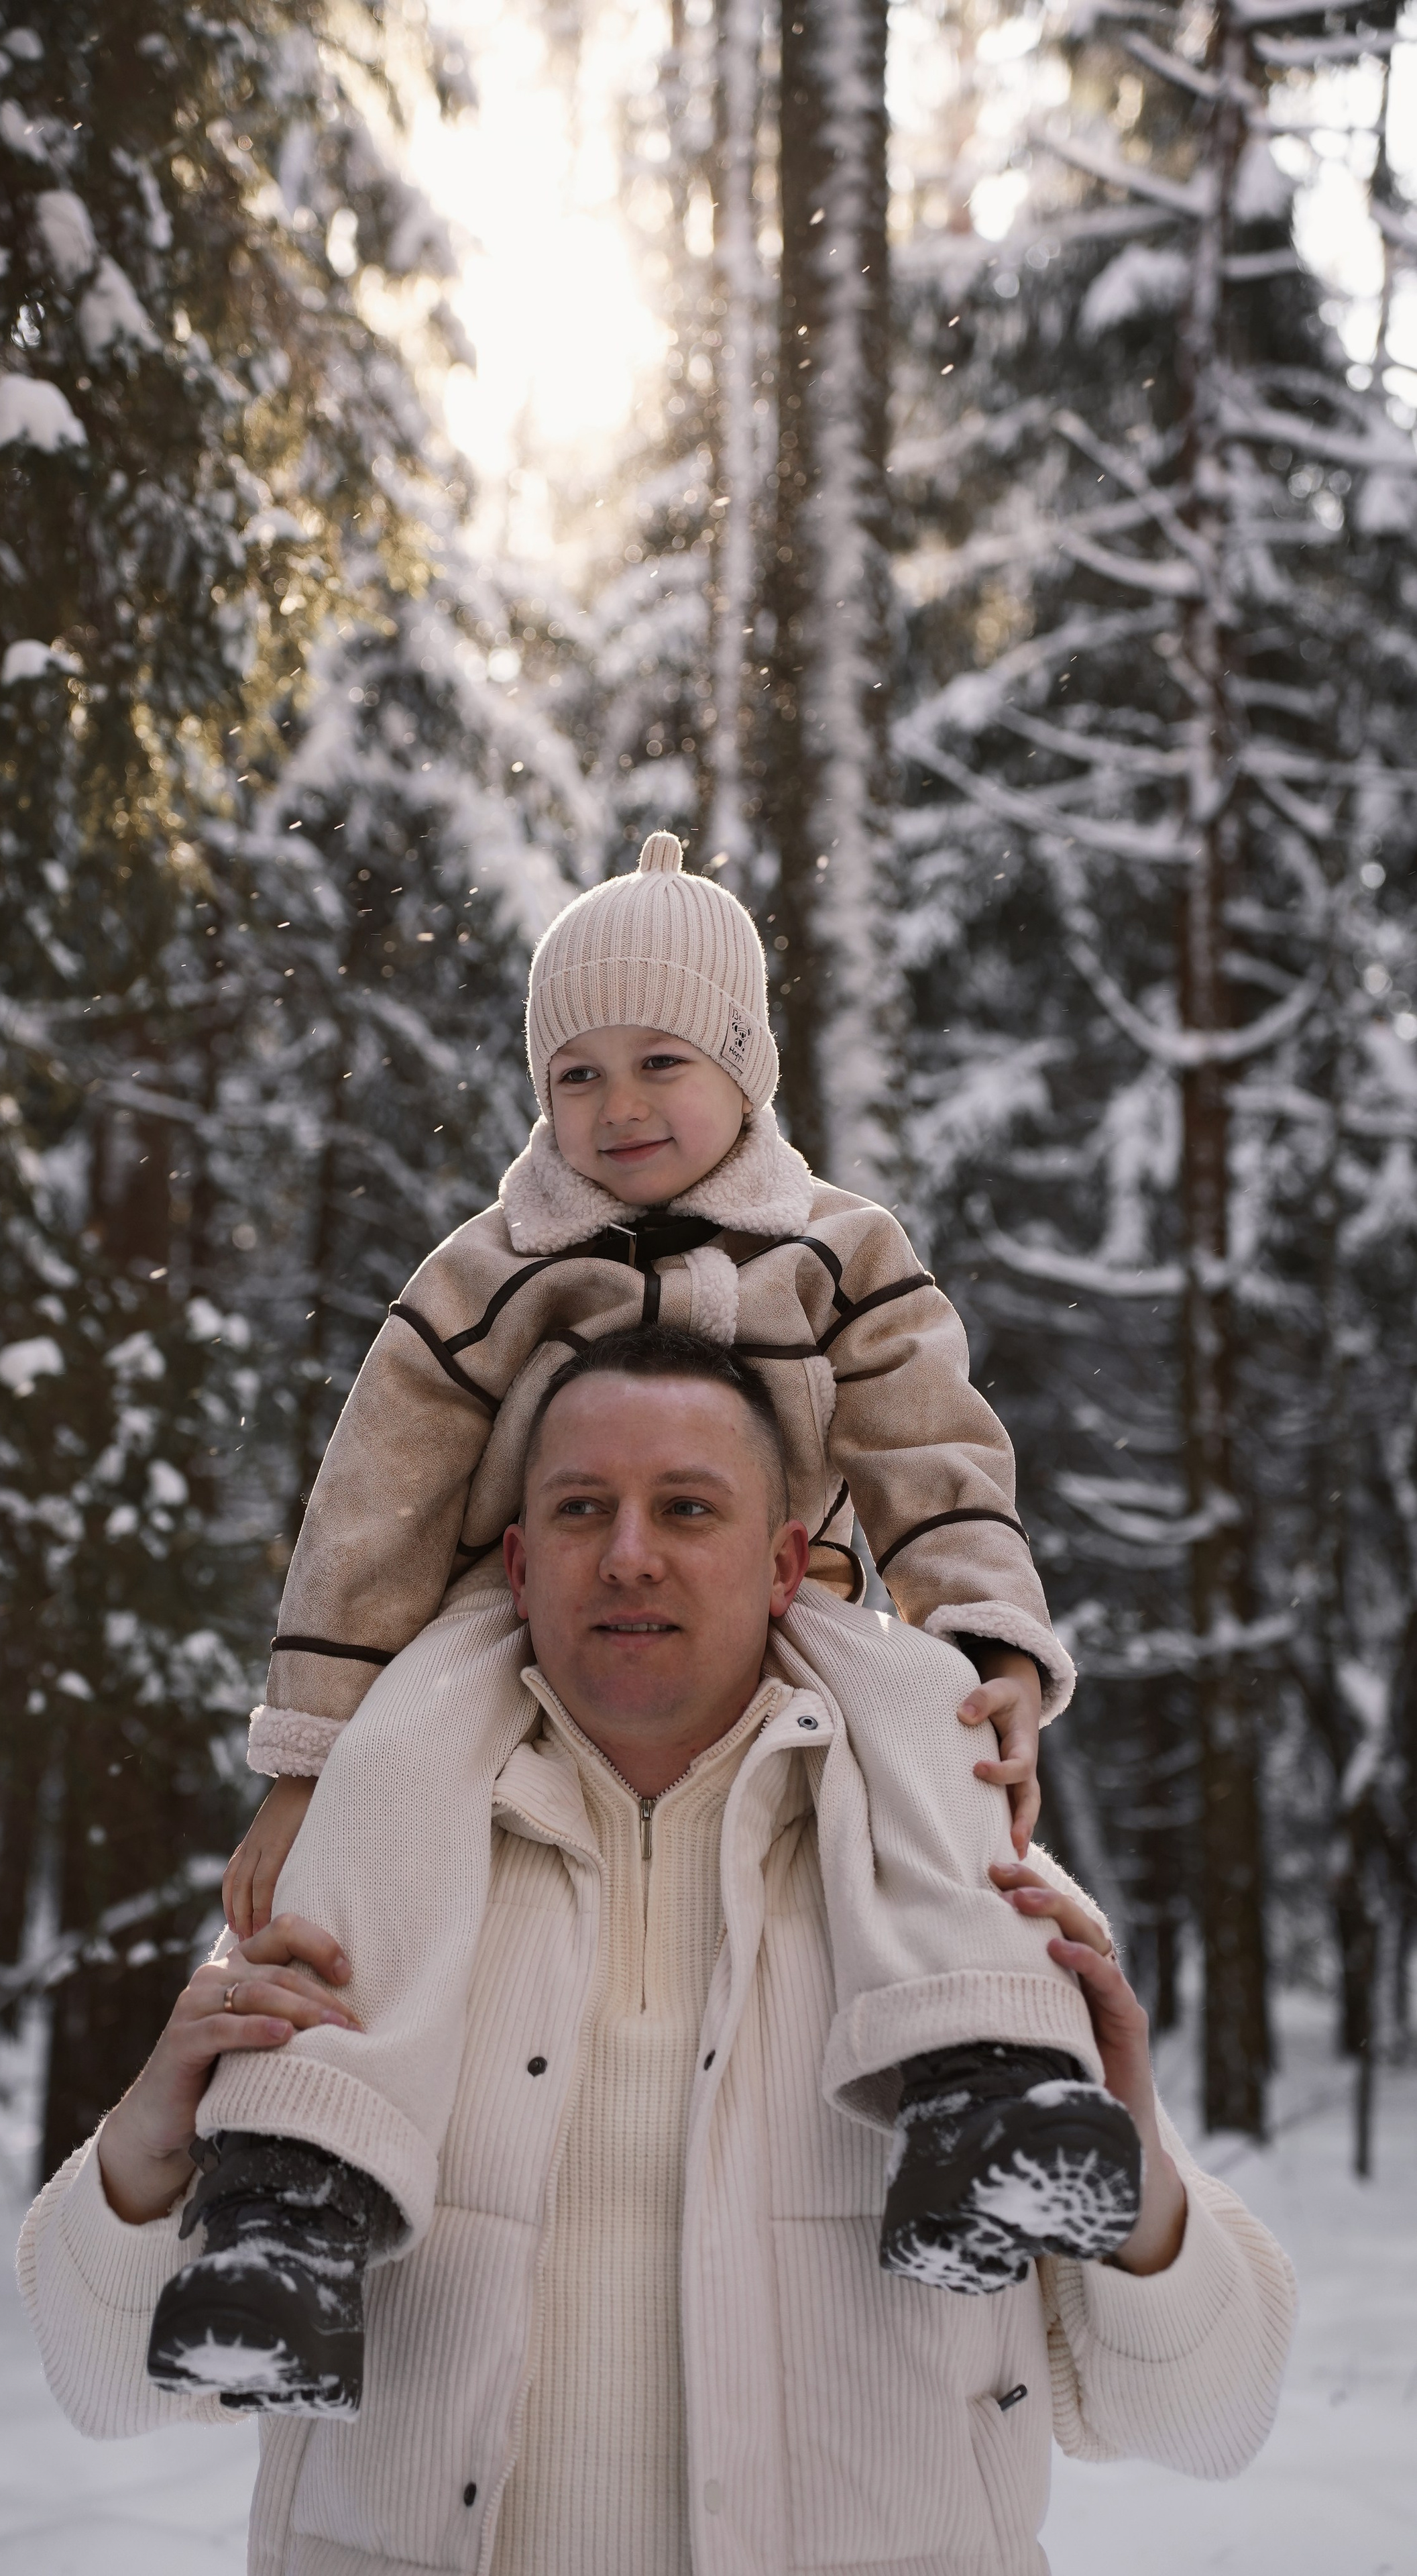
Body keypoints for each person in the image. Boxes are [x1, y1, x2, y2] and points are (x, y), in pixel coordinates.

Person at [17, 1338, 1296, 2576]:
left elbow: (1206, 2415)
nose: (630, 1556)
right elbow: (111, 2386)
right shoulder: (354, 1887)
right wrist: (148, 2147)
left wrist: (1132, 2146)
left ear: (785, 1562)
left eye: (687, 1508)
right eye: (583, 1509)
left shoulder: (960, 1895)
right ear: (519, 1565)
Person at [169, 830, 1136, 2410]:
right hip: (514, 1610)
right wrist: (308, 1762)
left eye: (659, 1063)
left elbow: (929, 1439)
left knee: (922, 1728)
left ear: (744, 1066)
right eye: (576, 1076)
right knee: (396, 1777)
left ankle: (986, 2085)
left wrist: (981, 1636)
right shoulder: (492, 1266)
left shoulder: (836, 1248)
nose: (616, 1108)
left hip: (797, 1598)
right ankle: (294, 2186)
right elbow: (376, 1503)